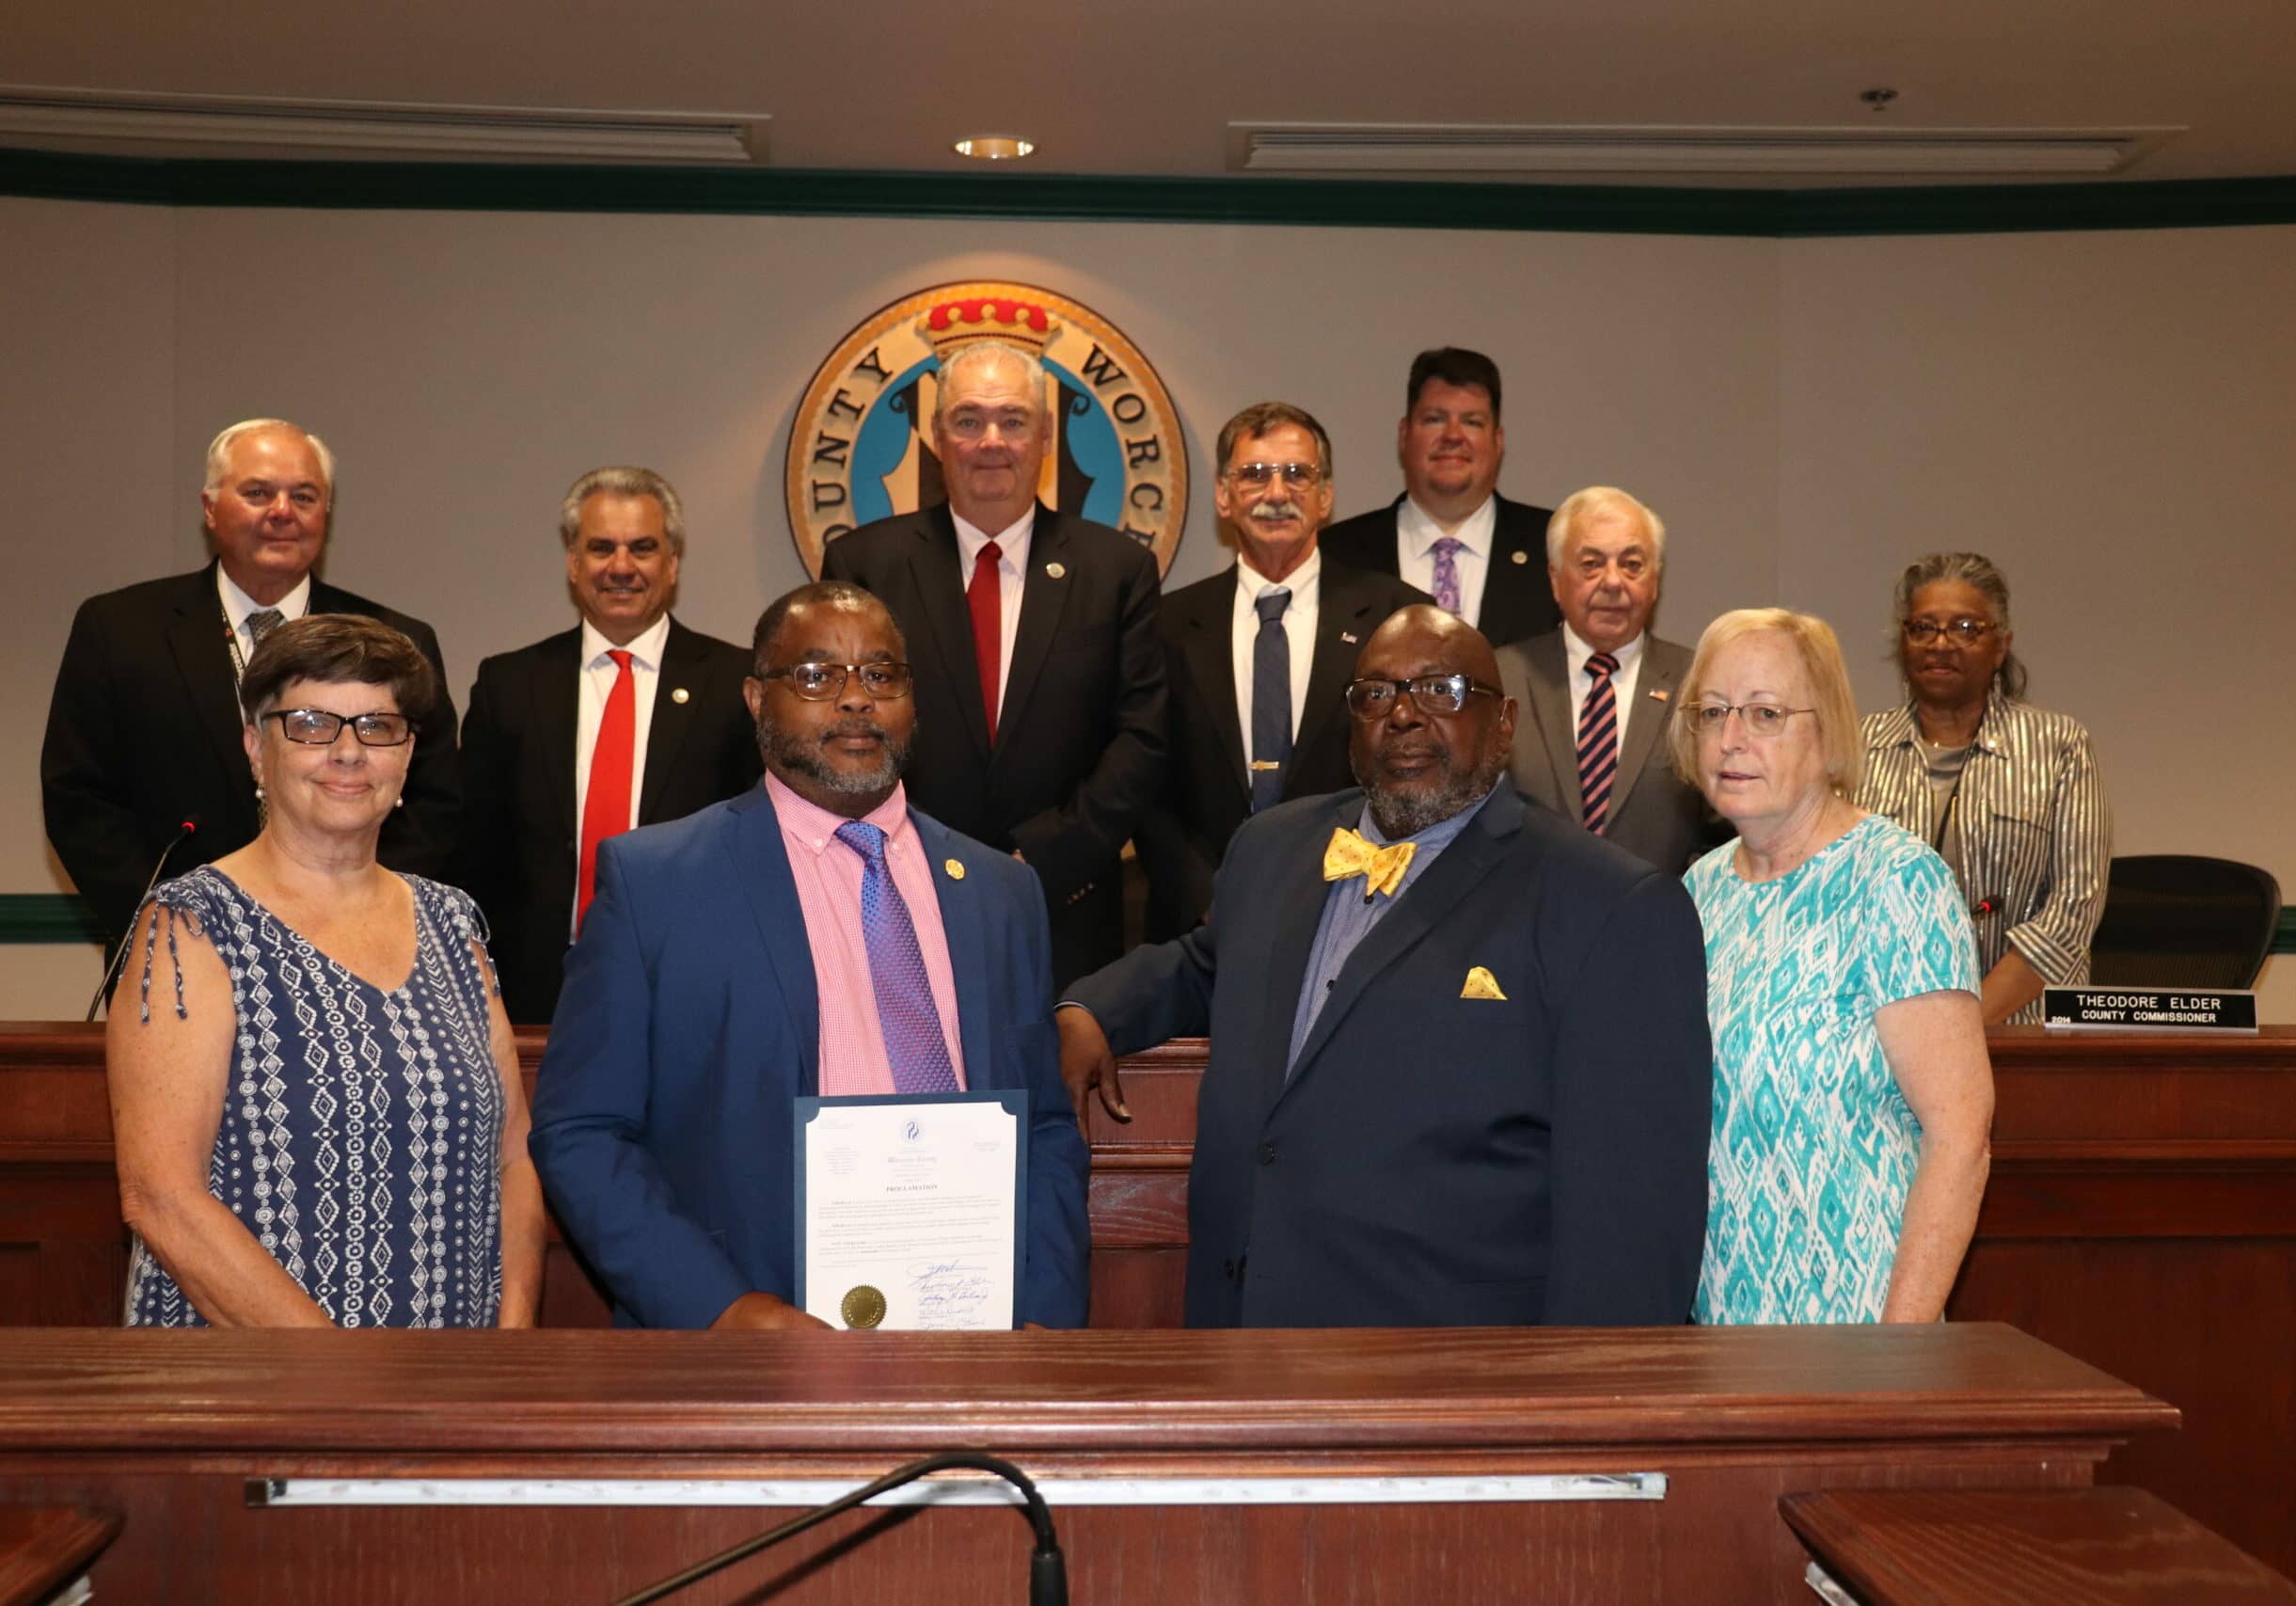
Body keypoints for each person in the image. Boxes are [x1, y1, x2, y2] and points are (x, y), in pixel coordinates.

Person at [1060, 605, 1711, 1328]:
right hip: (1241, 1341)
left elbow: (1631, 1223)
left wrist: (1584, 1420)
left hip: (1450, 1375)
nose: (1401, 715)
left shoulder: (1605, 903)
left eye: (1440, 691)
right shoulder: (1272, 846)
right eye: (1376, 694)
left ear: (1504, 723)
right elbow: (1211, 963)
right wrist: (1091, 1009)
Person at [529, 581, 1090, 1329]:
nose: (856, 699)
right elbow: (581, 1131)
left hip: (980, 1346)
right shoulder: (656, 883)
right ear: (758, 699)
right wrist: (723, 1311)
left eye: (881, 675)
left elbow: (1046, 1128)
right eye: (818, 676)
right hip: (750, 1352)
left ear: (911, 701)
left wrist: (1047, 1314)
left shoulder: (1000, 891)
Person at [108, 615, 543, 1328]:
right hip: (254, 1395)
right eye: (311, 723)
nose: (348, 752)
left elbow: (513, 1158)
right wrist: (343, 1381)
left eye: (377, 726)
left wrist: (513, 1331)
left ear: (408, 755)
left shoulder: (452, 921)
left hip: (454, 1387)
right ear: (256, 746)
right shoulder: (190, 924)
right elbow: (160, 1196)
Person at [1672, 608, 1993, 1325]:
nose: (1729, 739)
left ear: (1826, 734)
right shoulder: (1699, 890)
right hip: (1718, 1331)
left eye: (1764, 713)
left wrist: (1897, 1348)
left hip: (1860, 1334)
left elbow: (1959, 1138)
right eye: (1713, 711)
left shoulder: (1896, 880)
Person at [43, 419, 461, 963]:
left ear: (325, 514)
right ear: (211, 507)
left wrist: (346, 919)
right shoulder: (120, 630)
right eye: (258, 492)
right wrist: (178, 922)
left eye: (304, 496)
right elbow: (80, 800)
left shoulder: (397, 639)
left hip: (354, 952)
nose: (282, 511)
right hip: (175, 950)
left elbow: (434, 804)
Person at [820, 340, 1166, 988]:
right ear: (934, 435)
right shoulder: (864, 566)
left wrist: (1042, 853)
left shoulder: (1115, 571)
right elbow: (840, 733)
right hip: (895, 893)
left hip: (1062, 909)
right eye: (968, 419)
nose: (990, 440)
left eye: (1012, 420)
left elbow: (1140, 739)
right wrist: (914, 852)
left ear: (1044, 434)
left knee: (1048, 1088)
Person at [458, 467, 761, 1023]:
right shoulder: (509, 685)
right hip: (538, 994)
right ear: (573, 563)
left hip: (692, 983)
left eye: (642, 548)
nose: (621, 567)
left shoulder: (736, 683)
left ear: (672, 564)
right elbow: (474, 853)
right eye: (601, 548)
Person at [1134, 401, 1427, 939]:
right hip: (1200, 929)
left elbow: (1412, 775)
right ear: (1224, 496)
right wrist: (1208, 900)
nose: (1276, 494)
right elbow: (1144, 778)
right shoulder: (1166, 623)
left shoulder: (1397, 618)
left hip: (1354, 916)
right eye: (1253, 475)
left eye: (1297, 474)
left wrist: (1342, 891)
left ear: (1326, 496)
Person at [1854, 553, 2111, 1025]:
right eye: (1923, 628)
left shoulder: (2059, 746)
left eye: (1967, 628)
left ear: (2000, 646)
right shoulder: (1855, 749)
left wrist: (1965, 1026)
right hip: (1884, 1038)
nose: (1942, 644)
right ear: (1903, 643)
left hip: (2023, 1038)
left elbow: (2073, 909)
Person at [1496, 485, 1717, 872]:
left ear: (1656, 581)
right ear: (1554, 578)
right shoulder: (1502, 678)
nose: (1613, 582)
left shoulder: (1699, 681)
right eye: (1591, 564)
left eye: (1632, 564)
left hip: (1655, 922)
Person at [1320, 347, 1560, 647]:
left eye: (1472, 422)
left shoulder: (1554, 546)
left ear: (1498, 441)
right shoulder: (1336, 554)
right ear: (1404, 435)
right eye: (1435, 419)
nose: (1453, 436)